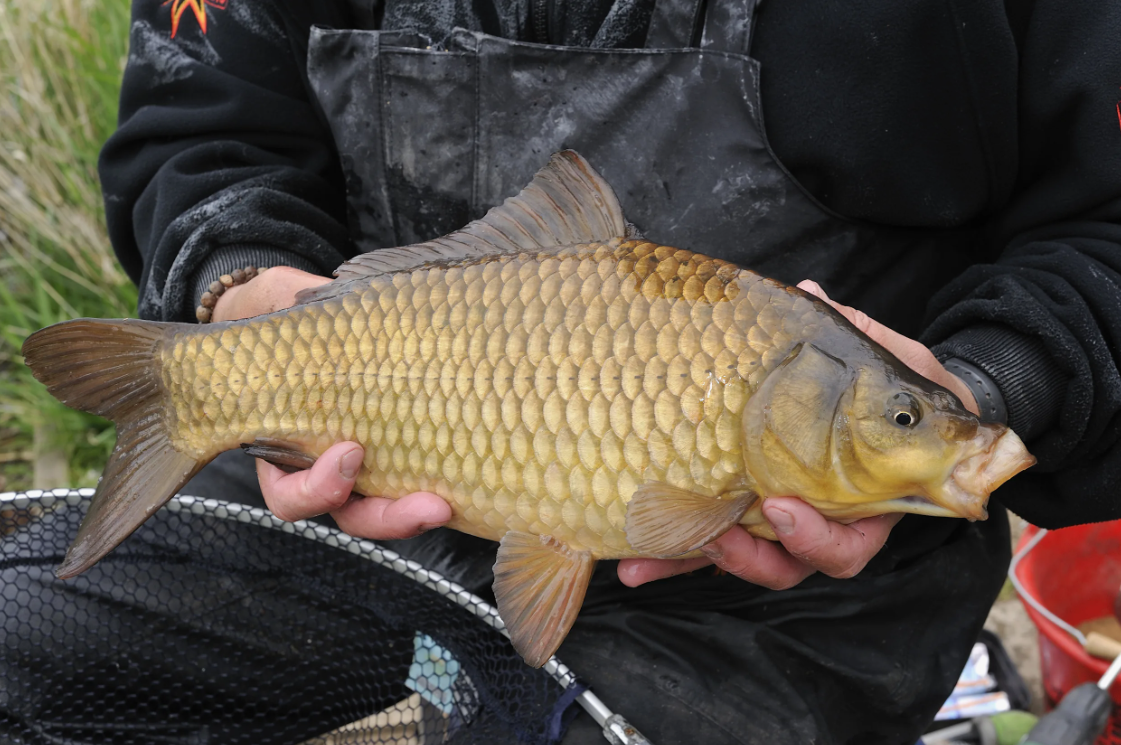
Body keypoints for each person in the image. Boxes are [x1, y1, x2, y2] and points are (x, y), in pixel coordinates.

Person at [97, 0, 1121, 742]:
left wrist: (993, 380)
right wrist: (240, 293)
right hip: (348, 468)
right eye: (905, 421)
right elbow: (204, 134)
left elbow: (1100, 229)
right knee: (51, 655)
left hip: (806, 614)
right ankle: (205, 393)